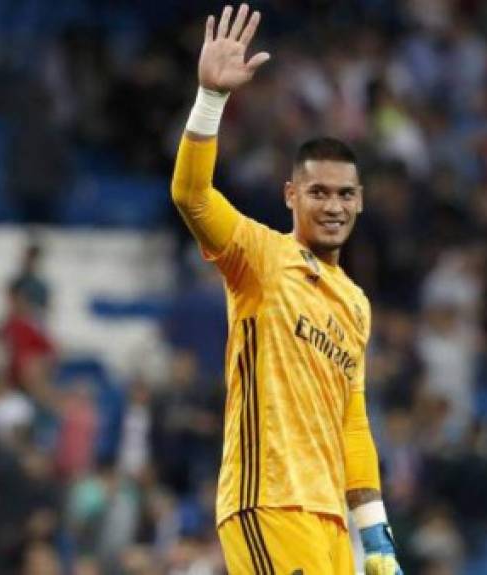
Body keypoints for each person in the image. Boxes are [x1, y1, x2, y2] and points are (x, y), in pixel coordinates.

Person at [170, 5, 402, 574]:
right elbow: (192, 196)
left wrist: (376, 538)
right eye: (318, 192)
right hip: (267, 499)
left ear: (361, 201)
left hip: (329, 522)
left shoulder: (354, 303)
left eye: (345, 194)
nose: (334, 206)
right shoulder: (261, 257)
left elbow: (352, 421)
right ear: (290, 196)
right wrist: (210, 99)